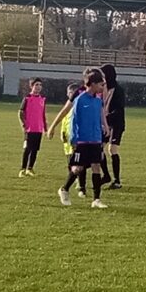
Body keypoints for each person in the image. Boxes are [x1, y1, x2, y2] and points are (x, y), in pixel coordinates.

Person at [47, 67, 112, 184]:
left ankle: (102, 177)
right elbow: (65, 110)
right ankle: (77, 184)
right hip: (83, 131)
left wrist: (105, 124)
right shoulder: (80, 93)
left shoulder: (100, 91)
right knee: (85, 159)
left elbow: (102, 108)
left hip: (97, 130)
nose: (103, 84)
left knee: (98, 154)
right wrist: (53, 126)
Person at [57, 69, 108, 209]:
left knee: (96, 167)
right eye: (101, 84)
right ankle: (64, 189)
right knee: (78, 168)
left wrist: (105, 127)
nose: (103, 87)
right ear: (93, 84)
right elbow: (74, 121)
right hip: (82, 140)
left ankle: (96, 199)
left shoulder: (98, 100)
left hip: (95, 139)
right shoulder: (80, 100)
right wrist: (74, 139)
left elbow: (100, 116)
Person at [61, 82, 87, 198]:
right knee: (71, 164)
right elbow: (64, 121)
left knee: (81, 164)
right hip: (68, 142)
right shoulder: (67, 108)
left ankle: (82, 187)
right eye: (70, 93)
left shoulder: (79, 107)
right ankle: (74, 181)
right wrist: (62, 133)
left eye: (74, 92)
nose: (72, 94)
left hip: (78, 140)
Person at [102, 64, 125, 189]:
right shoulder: (103, 88)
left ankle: (117, 181)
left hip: (116, 124)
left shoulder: (118, 90)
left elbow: (118, 109)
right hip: (105, 123)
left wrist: (107, 118)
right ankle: (106, 175)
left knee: (112, 149)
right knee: (99, 148)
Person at [18, 77, 47, 177]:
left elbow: (43, 114)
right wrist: (24, 124)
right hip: (29, 129)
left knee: (35, 150)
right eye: (36, 85)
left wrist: (45, 127)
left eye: (40, 85)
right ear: (31, 86)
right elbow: (20, 112)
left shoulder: (42, 99)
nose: (38, 87)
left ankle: (30, 168)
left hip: (38, 129)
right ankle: (22, 169)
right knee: (27, 149)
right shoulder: (27, 98)